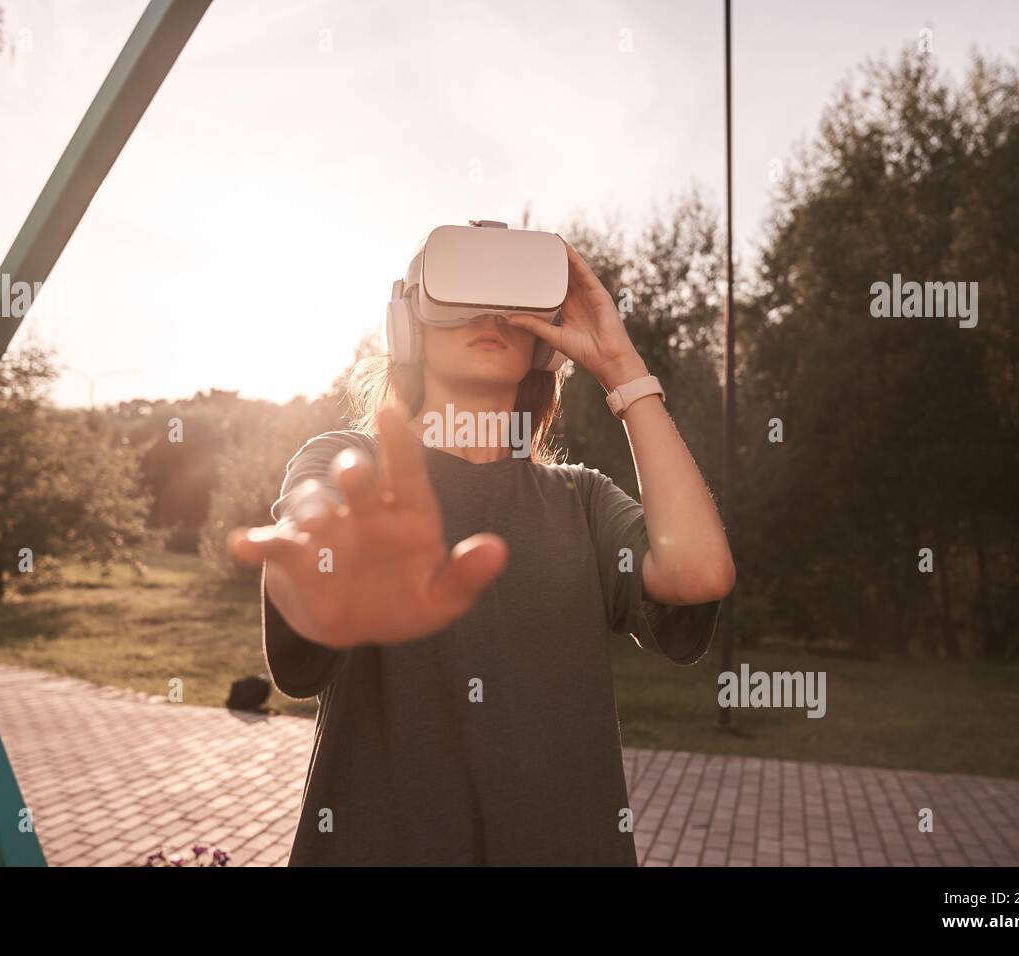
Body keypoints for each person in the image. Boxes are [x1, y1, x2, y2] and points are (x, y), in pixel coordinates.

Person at [228, 241, 735, 865]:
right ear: (408, 328)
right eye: (460, 296)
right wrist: (321, 570)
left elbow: (699, 571)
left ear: (543, 343)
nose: (489, 314)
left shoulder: (581, 499)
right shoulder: (346, 460)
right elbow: (313, 530)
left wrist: (624, 368)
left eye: (510, 301)